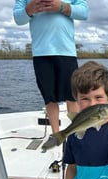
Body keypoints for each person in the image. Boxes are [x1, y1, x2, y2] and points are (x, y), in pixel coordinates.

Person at [13, 0, 89, 133]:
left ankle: (77, 137)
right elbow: (18, 18)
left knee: (73, 97)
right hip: (41, 53)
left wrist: (61, 6)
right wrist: (29, 9)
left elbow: (84, 12)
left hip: (67, 52)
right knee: (49, 99)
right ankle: (56, 135)